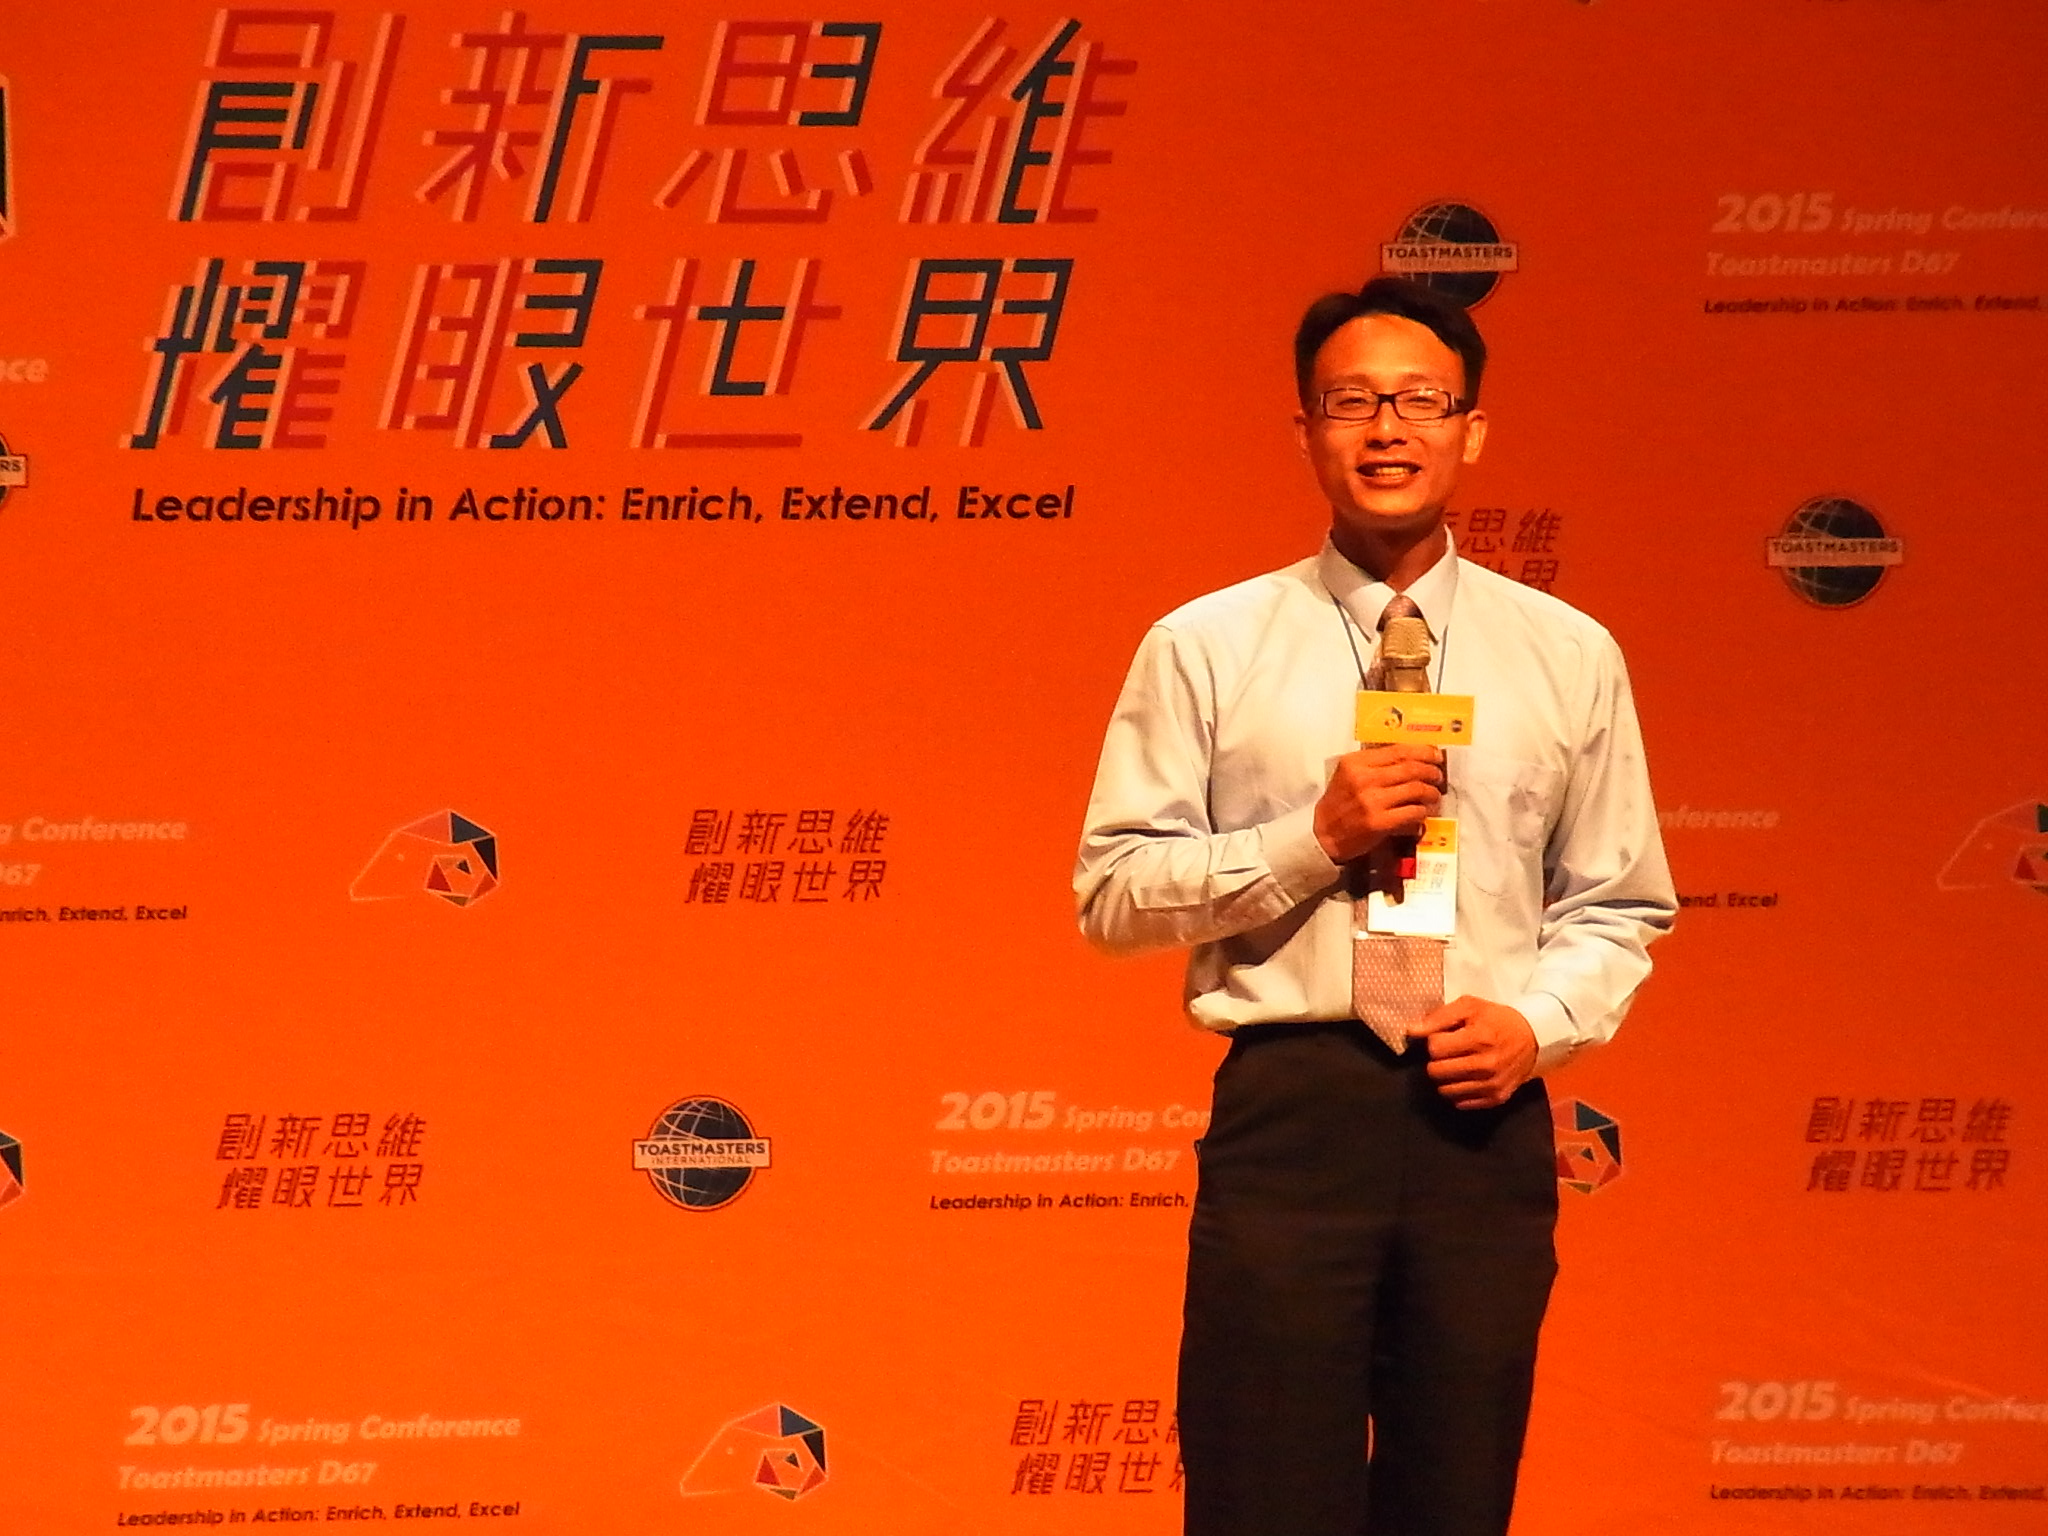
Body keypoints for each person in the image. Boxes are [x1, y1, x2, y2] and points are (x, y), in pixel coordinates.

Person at [1073, 276, 1676, 1536]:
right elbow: (1115, 892)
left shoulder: (1567, 653)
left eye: (1418, 402)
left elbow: (1618, 901)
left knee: (1453, 1495)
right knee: (1260, 1492)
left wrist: (1535, 1026)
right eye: (1350, 403)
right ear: (1304, 431)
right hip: (1294, 1111)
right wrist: (1312, 841)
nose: (1385, 430)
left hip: (1480, 1114)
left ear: (1471, 430)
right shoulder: (1205, 644)